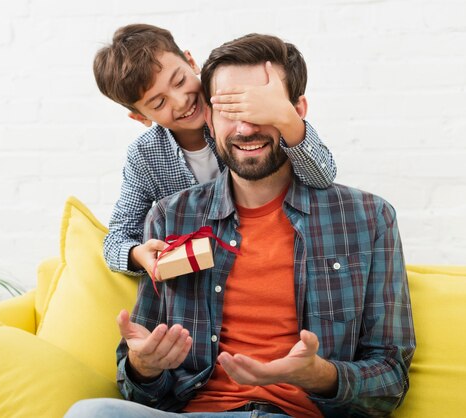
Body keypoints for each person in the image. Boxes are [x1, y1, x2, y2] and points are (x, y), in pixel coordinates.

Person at [67, 33, 415, 417]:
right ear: (211, 121)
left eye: (261, 109)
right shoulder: (169, 217)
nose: (246, 128)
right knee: (91, 412)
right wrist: (144, 367)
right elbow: (144, 391)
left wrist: (320, 375)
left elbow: (390, 381)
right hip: (199, 411)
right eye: (230, 110)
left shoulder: (368, 218)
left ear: (297, 110)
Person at [95, 24, 337, 280]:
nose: (181, 101)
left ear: (190, 62)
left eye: (179, 81)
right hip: (210, 277)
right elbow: (118, 237)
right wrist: (137, 255)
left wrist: (287, 118)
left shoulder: (244, 117)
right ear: (140, 117)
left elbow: (322, 177)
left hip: (276, 253)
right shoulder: (144, 156)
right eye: (158, 102)